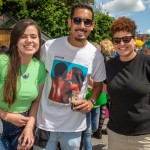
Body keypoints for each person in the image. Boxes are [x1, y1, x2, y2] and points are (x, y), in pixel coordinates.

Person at [33, 3, 106, 150]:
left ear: (92, 25)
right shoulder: (50, 47)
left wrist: (91, 102)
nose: (82, 26)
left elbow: (99, 84)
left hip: (74, 127)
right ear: (69, 22)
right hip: (45, 123)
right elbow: (37, 79)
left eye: (87, 22)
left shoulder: (95, 55)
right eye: (77, 20)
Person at [0, 19, 46, 150]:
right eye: (23, 36)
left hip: (23, 125)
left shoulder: (40, 67)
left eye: (33, 36)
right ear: (15, 40)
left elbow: (36, 102)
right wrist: (6, 116)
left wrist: (29, 127)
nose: (29, 41)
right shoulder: (2, 62)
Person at [106, 16, 150, 150]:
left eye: (126, 39)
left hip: (144, 136)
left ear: (134, 39)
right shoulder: (110, 65)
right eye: (117, 40)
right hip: (115, 134)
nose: (121, 44)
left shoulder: (147, 62)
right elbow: (104, 88)